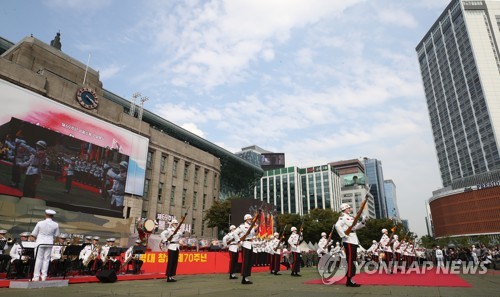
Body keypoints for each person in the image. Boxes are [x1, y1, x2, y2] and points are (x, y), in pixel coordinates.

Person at [335, 203, 367, 287]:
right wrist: (343, 235)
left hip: (353, 240)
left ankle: (350, 279)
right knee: (350, 260)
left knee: (352, 260)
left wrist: (363, 221)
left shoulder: (350, 217)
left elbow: (355, 227)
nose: (350, 209)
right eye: (348, 208)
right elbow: (337, 226)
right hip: (348, 240)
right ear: (344, 209)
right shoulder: (343, 217)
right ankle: (349, 280)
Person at [31, 209, 60, 281]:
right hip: (49, 243)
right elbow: (57, 235)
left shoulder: (40, 223)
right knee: (46, 260)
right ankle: (44, 276)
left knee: (38, 259)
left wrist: (35, 238)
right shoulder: (55, 224)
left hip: (40, 242)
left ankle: (36, 277)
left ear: (45, 215)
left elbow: (34, 233)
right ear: (52, 216)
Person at [234, 214, 257, 284]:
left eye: (250, 219)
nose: (250, 220)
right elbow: (235, 233)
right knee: (245, 262)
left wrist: (255, 230)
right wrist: (238, 240)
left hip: (250, 244)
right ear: (246, 219)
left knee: (249, 262)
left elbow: (253, 235)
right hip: (245, 244)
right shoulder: (242, 226)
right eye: (249, 219)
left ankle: (246, 277)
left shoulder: (251, 226)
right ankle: (244, 278)